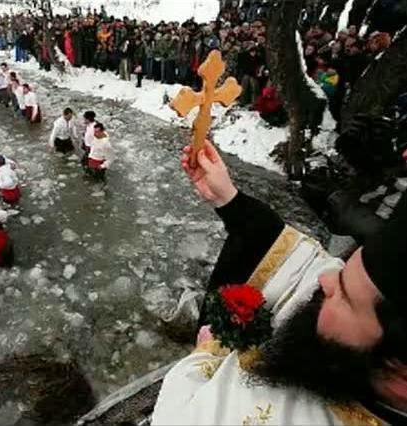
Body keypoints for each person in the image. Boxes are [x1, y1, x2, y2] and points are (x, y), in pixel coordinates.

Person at [151, 142, 407, 425]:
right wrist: (229, 200)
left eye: (344, 297)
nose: (325, 279)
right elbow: (302, 264)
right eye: (344, 269)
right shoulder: (362, 342)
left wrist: (206, 357)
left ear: (399, 375)